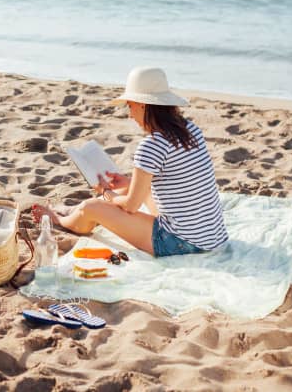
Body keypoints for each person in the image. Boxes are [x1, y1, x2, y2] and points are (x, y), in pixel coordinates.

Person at [32, 67, 228, 257]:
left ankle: (61, 219)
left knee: (91, 207)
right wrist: (128, 183)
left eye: (130, 105)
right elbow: (177, 179)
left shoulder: (152, 145)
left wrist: (106, 193)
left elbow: (131, 206)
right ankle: (72, 210)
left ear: (143, 104)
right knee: (128, 189)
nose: (129, 113)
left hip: (181, 242)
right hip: (213, 237)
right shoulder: (189, 130)